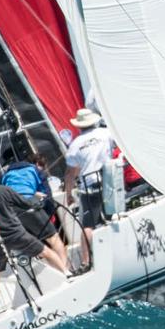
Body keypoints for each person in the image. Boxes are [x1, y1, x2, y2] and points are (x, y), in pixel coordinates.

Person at [0, 169, 69, 315]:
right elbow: (26, 204)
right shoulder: (5, 190)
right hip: (17, 234)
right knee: (46, 252)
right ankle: (66, 274)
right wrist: (36, 199)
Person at [64, 108, 114, 269]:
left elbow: (71, 173)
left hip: (89, 186)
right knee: (113, 216)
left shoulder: (75, 144)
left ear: (79, 126)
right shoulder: (106, 133)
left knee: (88, 225)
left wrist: (69, 194)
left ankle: (85, 262)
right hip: (109, 181)